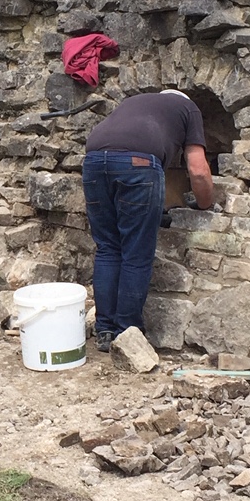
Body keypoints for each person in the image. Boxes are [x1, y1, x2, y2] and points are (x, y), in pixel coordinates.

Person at [83, 89, 214, 351]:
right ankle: (127, 333)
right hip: (138, 163)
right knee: (136, 252)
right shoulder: (188, 109)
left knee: (108, 248)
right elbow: (198, 170)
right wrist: (205, 203)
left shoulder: (132, 102)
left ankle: (105, 330)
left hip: (94, 160)